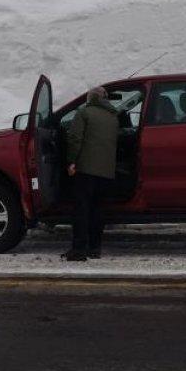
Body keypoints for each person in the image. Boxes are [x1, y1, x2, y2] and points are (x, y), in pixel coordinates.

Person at [63, 86, 118, 261]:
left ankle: (79, 250)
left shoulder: (84, 113)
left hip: (86, 169)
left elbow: (75, 138)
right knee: (97, 210)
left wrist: (71, 161)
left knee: (82, 210)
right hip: (106, 172)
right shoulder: (113, 117)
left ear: (91, 98)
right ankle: (95, 248)